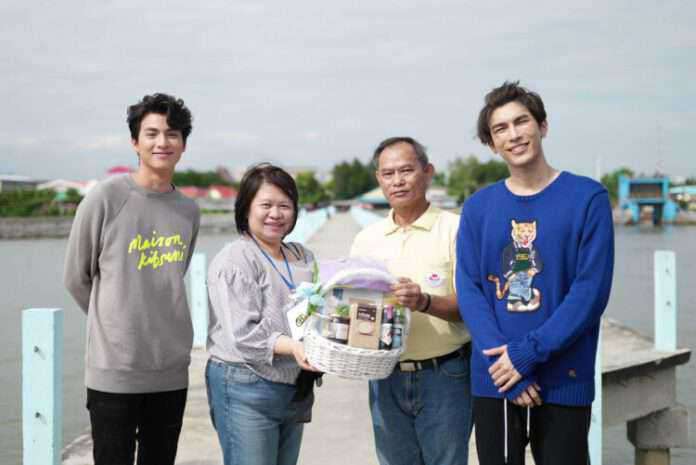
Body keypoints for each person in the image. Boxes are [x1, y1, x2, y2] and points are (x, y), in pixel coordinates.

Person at [455, 81, 614, 465]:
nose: (513, 134)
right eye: (500, 129)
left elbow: (590, 292)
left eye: (521, 121)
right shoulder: (478, 208)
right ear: (492, 144)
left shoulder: (587, 198)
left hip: (564, 377)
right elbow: (470, 289)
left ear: (542, 126)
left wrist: (525, 355)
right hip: (496, 380)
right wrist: (503, 364)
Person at [64, 93, 200, 464]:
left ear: (183, 144)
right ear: (135, 142)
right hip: (115, 370)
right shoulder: (105, 198)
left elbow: (173, 277)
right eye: (151, 133)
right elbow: (76, 277)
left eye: (172, 134)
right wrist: (116, 322)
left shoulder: (188, 210)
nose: (162, 142)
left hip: (171, 369)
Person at [351, 137, 472, 465]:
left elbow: (471, 307)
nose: (397, 181)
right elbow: (356, 308)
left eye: (406, 170)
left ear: (428, 172)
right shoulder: (366, 239)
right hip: (384, 375)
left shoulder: (457, 229)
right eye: (388, 173)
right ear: (378, 179)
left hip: (445, 375)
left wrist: (424, 301)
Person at [206, 163, 319, 465]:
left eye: (285, 206)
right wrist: (294, 346)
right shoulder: (235, 259)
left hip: (293, 382)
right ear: (246, 208)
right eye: (266, 205)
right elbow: (244, 335)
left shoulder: (301, 255)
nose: (276, 214)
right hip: (245, 383)